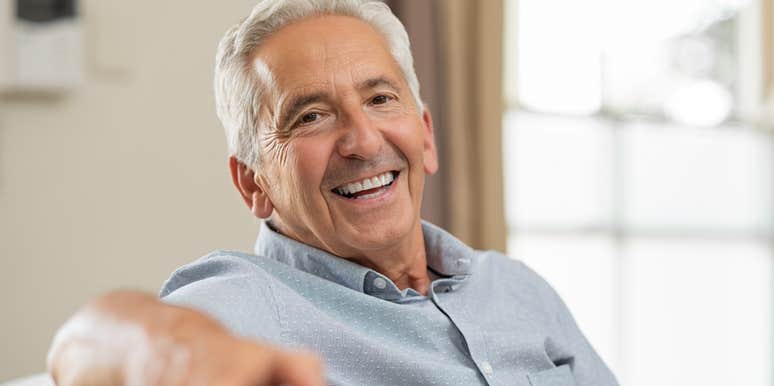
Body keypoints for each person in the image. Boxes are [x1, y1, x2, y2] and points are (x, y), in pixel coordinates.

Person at [47, 1, 618, 385]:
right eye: (312, 116)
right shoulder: (252, 304)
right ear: (255, 183)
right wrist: (172, 351)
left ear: (425, 135)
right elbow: (83, 345)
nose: (362, 140)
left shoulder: (516, 288)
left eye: (379, 100)